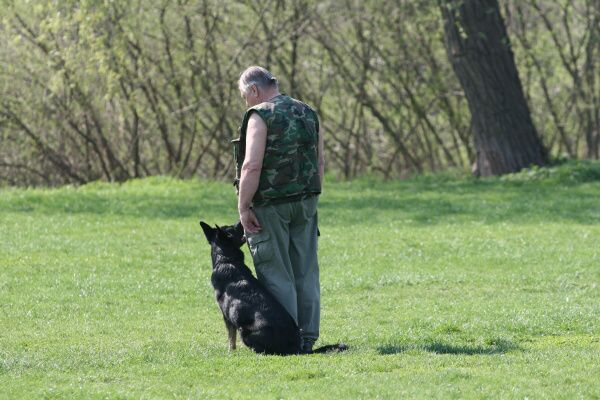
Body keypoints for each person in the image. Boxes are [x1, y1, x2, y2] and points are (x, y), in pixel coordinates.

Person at [233, 66, 324, 353]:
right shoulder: (307, 111)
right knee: (306, 271)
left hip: (270, 205)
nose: (246, 103)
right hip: (306, 201)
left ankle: (287, 339)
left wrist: (243, 207)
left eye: (245, 97)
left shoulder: (260, 115)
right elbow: (319, 162)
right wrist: (311, 198)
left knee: (276, 272)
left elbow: (251, 165)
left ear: (254, 90)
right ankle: (307, 337)